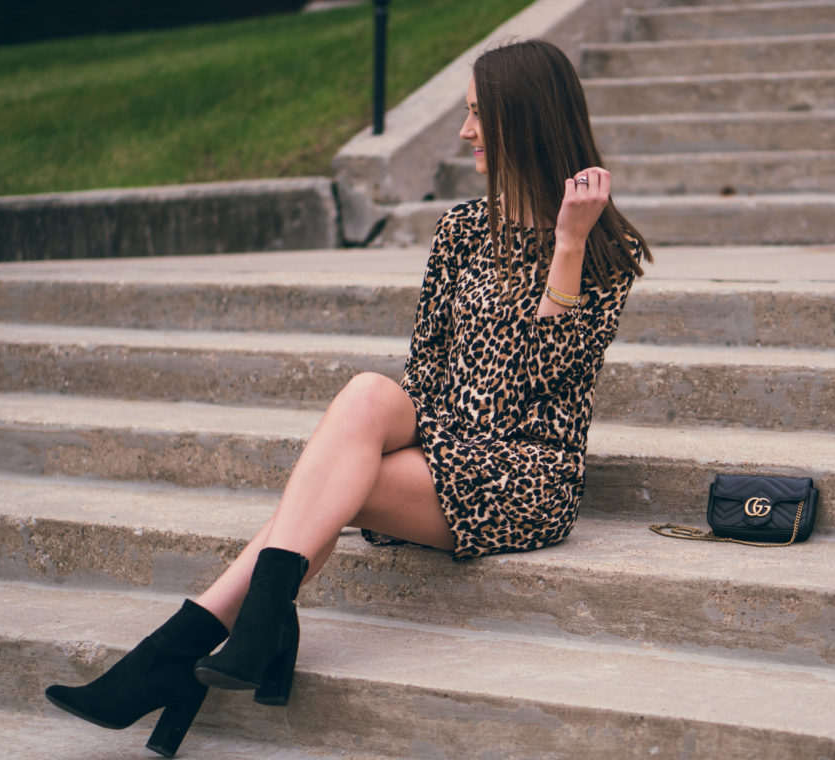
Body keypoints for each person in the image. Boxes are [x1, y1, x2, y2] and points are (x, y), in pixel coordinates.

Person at [43, 37, 652, 758]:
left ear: (524, 118)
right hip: (447, 442)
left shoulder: (603, 249)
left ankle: (182, 653)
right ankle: (248, 629)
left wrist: (567, 246)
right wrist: (388, 432)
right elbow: (425, 373)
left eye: (479, 116)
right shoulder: (460, 230)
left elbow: (538, 384)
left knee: (329, 488)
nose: (465, 133)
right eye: (465, 114)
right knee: (366, 396)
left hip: (524, 476)